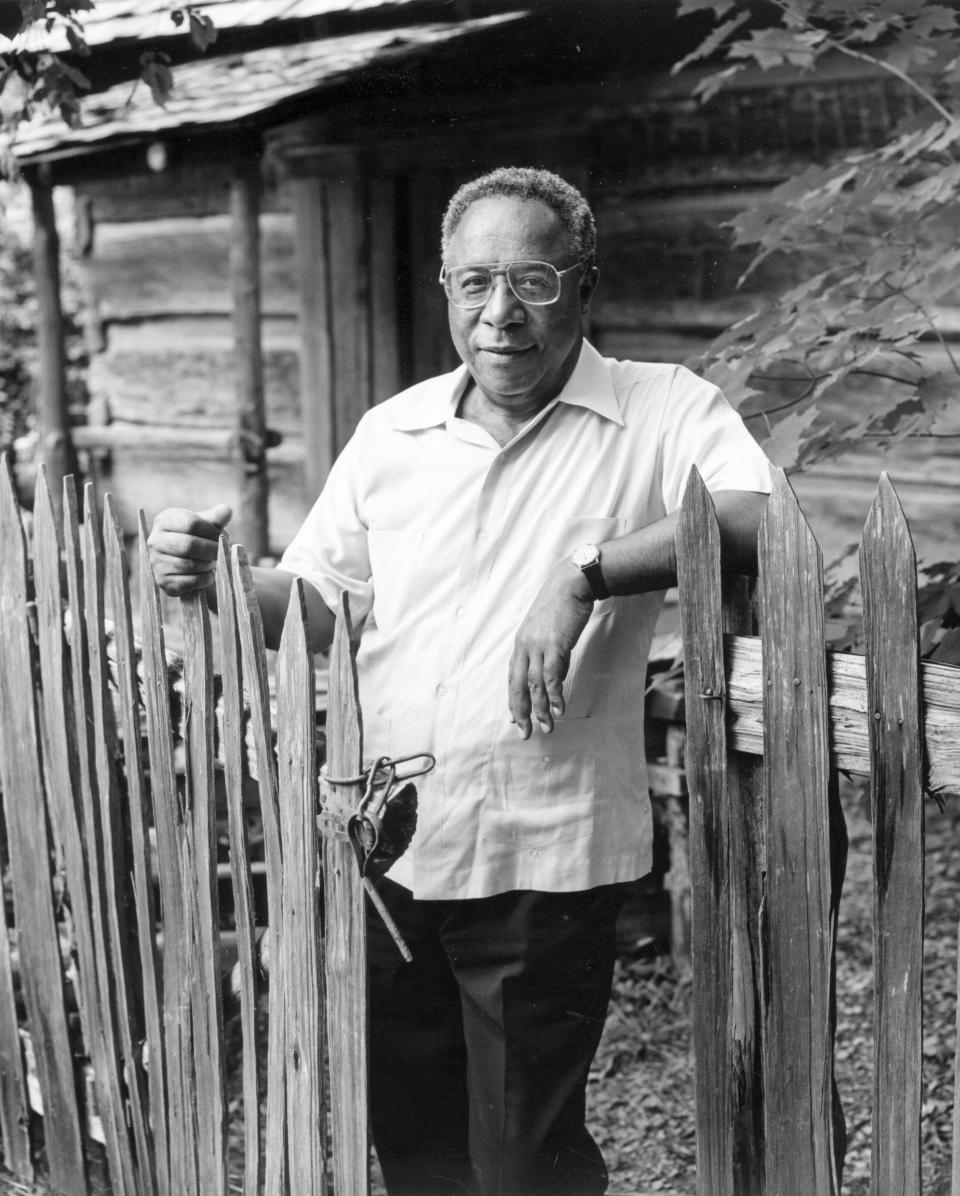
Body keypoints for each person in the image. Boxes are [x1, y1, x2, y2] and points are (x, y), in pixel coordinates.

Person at [149, 166, 771, 1195]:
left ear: (586, 284)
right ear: (445, 288)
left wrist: (581, 576)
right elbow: (320, 605)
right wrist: (217, 581)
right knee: (417, 1141)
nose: (501, 312)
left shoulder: (661, 410)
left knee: (528, 1158)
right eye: (476, 281)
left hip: (544, 847)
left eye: (533, 279)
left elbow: (757, 514)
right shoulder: (392, 433)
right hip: (390, 841)